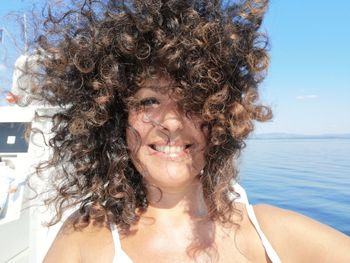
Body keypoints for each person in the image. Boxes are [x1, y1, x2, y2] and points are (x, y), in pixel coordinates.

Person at [22, 0, 349, 262]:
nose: (172, 122)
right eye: (149, 101)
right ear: (116, 119)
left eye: (192, 102)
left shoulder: (273, 234)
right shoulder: (84, 236)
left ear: (220, 118)